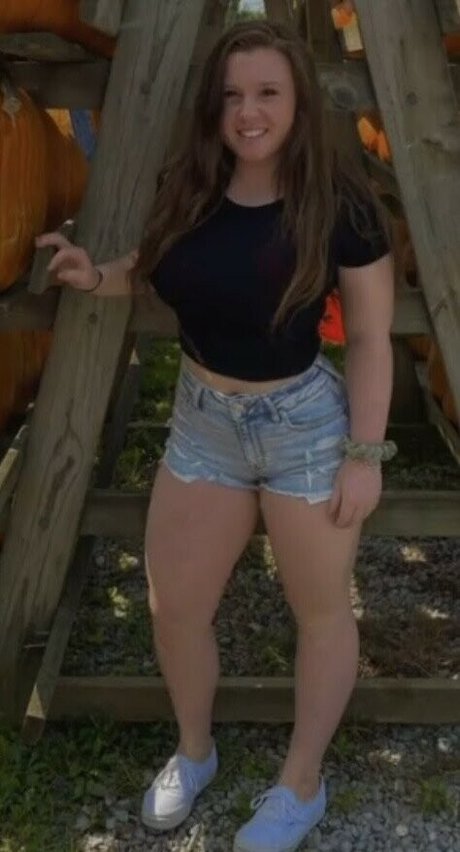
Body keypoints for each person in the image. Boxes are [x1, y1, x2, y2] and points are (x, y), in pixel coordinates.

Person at [36, 20, 396, 852]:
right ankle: (195, 751)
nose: (249, 112)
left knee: (321, 613)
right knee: (175, 607)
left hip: (304, 427)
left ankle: (301, 783)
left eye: (268, 92)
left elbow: (372, 339)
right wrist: (97, 274)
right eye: (233, 95)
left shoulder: (340, 203)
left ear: (298, 101)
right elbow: (154, 265)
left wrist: (364, 454)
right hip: (204, 423)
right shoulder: (192, 185)